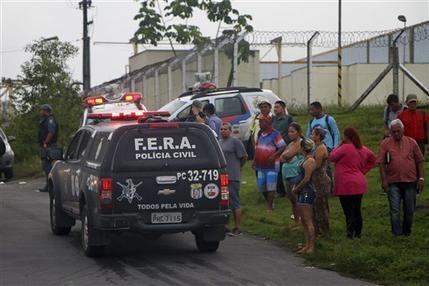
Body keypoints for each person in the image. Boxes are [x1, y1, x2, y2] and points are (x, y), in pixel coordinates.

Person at [377, 119, 425, 236]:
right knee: (395, 210)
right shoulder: (385, 143)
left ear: (403, 130)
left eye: (398, 131)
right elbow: (381, 163)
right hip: (393, 182)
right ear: (390, 132)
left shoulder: (412, 142)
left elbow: (420, 160)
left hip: (410, 181)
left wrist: (421, 178)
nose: (396, 134)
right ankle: (396, 233)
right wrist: (384, 181)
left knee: (409, 210)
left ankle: (406, 231)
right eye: (394, 132)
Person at [329, 128, 376, 239]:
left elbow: (331, 156)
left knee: (348, 210)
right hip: (359, 182)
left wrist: (340, 145)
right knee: (357, 209)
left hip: (345, 183)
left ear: (346, 137)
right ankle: (358, 233)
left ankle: (350, 233)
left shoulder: (345, 147)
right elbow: (373, 158)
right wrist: (363, 170)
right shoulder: (362, 148)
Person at [252, 115, 286, 211]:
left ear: (268, 123)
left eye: (262, 122)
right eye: (260, 122)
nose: (260, 124)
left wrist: (274, 155)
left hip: (271, 166)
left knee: (270, 186)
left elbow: (283, 146)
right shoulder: (259, 133)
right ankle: (269, 201)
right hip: (260, 165)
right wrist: (254, 160)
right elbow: (257, 147)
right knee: (261, 186)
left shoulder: (275, 134)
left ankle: (270, 206)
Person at [220, 122, 248, 236]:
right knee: (224, 202)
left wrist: (238, 167)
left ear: (230, 131)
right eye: (221, 129)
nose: (223, 131)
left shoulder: (235, 142)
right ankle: (226, 225)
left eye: (225, 129)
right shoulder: (219, 142)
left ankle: (238, 227)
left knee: (234, 201)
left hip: (232, 176)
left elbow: (244, 156)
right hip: (222, 177)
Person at [291, 138, 317, 254]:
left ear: (303, 148)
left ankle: (311, 246)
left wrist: (297, 188)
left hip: (307, 191)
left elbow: (306, 179)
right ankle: (306, 245)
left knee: (308, 219)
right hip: (302, 191)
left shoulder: (310, 161)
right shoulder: (304, 159)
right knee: (304, 221)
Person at [280, 122, 304, 227]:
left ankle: (302, 222)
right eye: (289, 131)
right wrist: (285, 156)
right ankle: (296, 221)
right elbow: (281, 158)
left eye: (292, 131)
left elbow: (289, 155)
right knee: (292, 200)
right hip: (287, 175)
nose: (290, 134)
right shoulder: (290, 144)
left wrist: (286, 156)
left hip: (296, 174)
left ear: (298, 132)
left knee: (298, 199)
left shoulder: (301, 142)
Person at [310, 127, 330, 236]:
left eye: (313, 134)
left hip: (320, 180)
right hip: (315, 179)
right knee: (315, 205)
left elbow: (317, 165)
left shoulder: (321, 148)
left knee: (321, 205)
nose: (311, 135)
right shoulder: (315, 147)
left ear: (318, 136)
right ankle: (317, 229)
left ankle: (324, 229)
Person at [272, 100, 294, 197]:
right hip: (275, 149)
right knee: (278, 170)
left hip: (287, 148)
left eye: (277, 107)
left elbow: (294, 131)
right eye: (274, 107)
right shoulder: (273, 120)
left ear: (283, 108)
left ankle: (293, 189)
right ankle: (280, 191)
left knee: (290, 169)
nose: (275, 109)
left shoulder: (289, 119)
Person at [38, 104, 59, 192]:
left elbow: (51, 132)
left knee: (47, 165)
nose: (40, 112)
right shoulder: (46, 120)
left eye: (42, 110)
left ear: (45, 111)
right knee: (46, 165)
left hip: (49, 145)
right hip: (47, 145)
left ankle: (50, 185)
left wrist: (46, 142)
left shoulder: (50, 120)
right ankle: (49, 185)